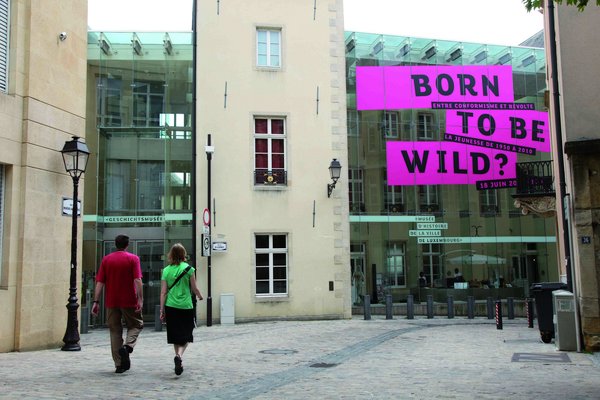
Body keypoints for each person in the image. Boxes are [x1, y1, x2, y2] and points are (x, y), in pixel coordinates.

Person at [91, 234, 144, 374]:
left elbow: (100, 283)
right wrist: (140, 299)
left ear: (115, 244)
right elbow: (137, 280)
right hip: (129, 300)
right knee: (136, 324)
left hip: (112, 301)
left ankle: (119, 364)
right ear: (127, 245)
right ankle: (127, 347)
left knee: (115, 331)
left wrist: (95, 302)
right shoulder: (133, 259)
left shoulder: (106, 260)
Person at [160, 243, 203, 376]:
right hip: (186, 306)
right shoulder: (189, 269)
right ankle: (179, 356)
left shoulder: (166, 270)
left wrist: (162, 310)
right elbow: (194, 288)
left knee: (175, 336)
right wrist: (200, 296)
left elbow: (163, 292)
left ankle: (178, 358)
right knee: (186, 335)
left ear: (171, 255)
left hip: (171, 306)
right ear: (184, 254)